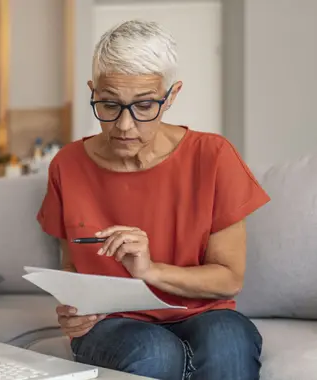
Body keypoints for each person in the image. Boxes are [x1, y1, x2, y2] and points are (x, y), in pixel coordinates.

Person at [37, 20, 269, 380]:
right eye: (109, 105)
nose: (125, 126)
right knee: (154, 351)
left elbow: (229, 279)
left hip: (204, 314)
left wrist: (149, 271)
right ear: (92, 91)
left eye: (144, 106)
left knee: (229, 340)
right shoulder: (67, 165)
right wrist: (72, 307)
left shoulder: (214, 156)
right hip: (111, 324)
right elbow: (70, 267)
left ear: (171, 95)